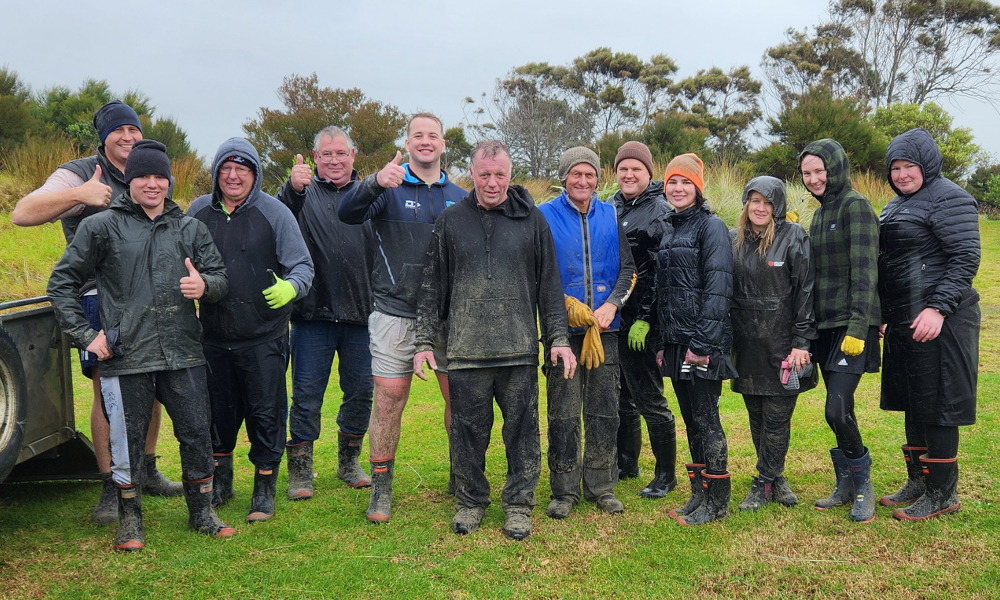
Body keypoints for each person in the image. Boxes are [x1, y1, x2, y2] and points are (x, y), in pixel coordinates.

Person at [46, 139, 233, 551]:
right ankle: (130, 521)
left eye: (159, 176)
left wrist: (204, 286)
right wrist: (87, 336)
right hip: (125, 355)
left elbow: (220, 279)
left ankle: (202, 512)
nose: (152, 184)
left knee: (196, 433)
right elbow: (61, 284)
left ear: (168, 181)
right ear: (129, 180)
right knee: (125, 442)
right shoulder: (101, 226)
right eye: (143, 176)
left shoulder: (190, 228)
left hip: (183, 353)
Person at [11, 100, 181, 525]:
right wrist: (80, 195)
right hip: (98, 297)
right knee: (110, 390)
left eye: (134, 130)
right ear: (103, 137)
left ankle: (146, 469)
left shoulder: (150, 168)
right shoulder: (78, 171)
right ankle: (110, 484)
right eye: (118, 130)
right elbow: (22, 213)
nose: (128, 137)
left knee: (152, 379)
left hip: (150, 295)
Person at [413, 140, 576, 540]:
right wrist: (422, 344)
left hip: (518, 350)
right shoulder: (450, 222)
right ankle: (470, 502)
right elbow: (432, 287)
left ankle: (519, 505)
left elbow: (550, 288)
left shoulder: (533, 220)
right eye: (484, 174)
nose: (492, 182)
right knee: (468, 432)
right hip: (466, 351)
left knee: (521, 432)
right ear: (471, 173)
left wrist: (558, 338)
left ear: (510, 173)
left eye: (499, 174)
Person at [339, 113, 466, 523]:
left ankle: (461, 475)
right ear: (407, 142)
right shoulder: (387, 186)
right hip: (395, 312)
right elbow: (347, 212)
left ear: (444, 144)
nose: (425, 142)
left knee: (459, 400)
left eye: (433, 136)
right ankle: (381, 486)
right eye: (418, 136)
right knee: (390, 398)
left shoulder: (461, 196)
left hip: (449, 317)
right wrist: (375, 180)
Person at [188, 138, 314, 523]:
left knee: (266, 416)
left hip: (264, 337)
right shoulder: (197, 213)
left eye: (242, 168)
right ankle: (222, 481)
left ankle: (264, 488)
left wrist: (291, 287)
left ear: (255, 174)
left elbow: (303, 268)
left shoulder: (275, 213)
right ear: (215, 173)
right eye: (226, 168)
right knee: (218, 417)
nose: (233, 175)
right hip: (212, 338)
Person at [878, 128, 980, 521]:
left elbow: (965, 257)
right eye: (896, 168)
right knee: (914, 400)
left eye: (910, 166)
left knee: (938, 404)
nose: (902, 174)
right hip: (905, 319)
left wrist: (938, 307)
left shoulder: (950, 198)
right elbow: (891, 264)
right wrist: (888, 315)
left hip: (942, 319)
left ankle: (942, 493)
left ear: (928, 164)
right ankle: (918, 481)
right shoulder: (894, 205)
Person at [276, 126, 376, 499]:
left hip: (363, 315)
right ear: (314, 158)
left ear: (353, 154)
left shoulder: (370, 195)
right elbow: (274, 216)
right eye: (326, 154)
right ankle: (300, 470)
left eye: (341, 153)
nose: (334, 160)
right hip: (311, 313)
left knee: (362, 390)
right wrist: (291, 187)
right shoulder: (301, 193)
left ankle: (349, 461)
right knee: (305, 393)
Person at [538, 146, 636, 519]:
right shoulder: (543, 216)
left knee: (604, 410)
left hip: (604, 332)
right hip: (561, 332)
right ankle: (563, 490)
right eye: (575, 174)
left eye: (590, 175)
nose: (583, 181)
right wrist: (565, 306)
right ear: (563, 178)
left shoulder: (611, 215)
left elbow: (628, 271)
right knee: (562, 412)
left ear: (598, 179)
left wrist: (611, 305)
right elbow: (536, 273)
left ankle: (601, 486)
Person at [799, 139, 882, 523]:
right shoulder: (818, 214)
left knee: (835, 408)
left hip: (851, 327)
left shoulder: (856, 206)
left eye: (820, 171)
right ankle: (846, 483)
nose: (814, 179)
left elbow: (866, 274)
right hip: (824, 329)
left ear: (836, 168)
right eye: (807, 173)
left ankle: (864, 486)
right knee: (840, 408)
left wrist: (858, 326)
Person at [655, 153, 737, 526]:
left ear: (698, 188)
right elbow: (664, 289)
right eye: (673, 181)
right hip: (675, 342)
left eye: (686, 182)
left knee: (707, 419)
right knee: (690, 419)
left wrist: (702, 344)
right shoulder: (670, 228)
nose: (678, 188)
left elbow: (718, 290)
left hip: (701, 343)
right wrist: (662, 342)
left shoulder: (712, 227)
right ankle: (698, 493)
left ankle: (717, 501)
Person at [729, 176, 817, 512]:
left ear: (777, 206)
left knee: (778, 415)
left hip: (783, 345)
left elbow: (805, 292)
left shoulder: (793, 237)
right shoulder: (734, 239)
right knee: (757, 415)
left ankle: (763, 482)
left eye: (767, 202)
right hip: (748, 343)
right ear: (746, 204)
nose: (760, 208)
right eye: (754, 201)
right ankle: (776, 477)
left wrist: (801, 341)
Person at [609, 141, 678, 498]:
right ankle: (626, 462)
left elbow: (661, 272)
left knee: (650, 396)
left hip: (642, 321)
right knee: (622, 395)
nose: (629, 174)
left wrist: (648, 319)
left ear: (649, 173)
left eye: (636, 168)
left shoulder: (659, 211)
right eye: (623, 168)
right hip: (614, 318)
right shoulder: (612, 206)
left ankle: (666, 473)